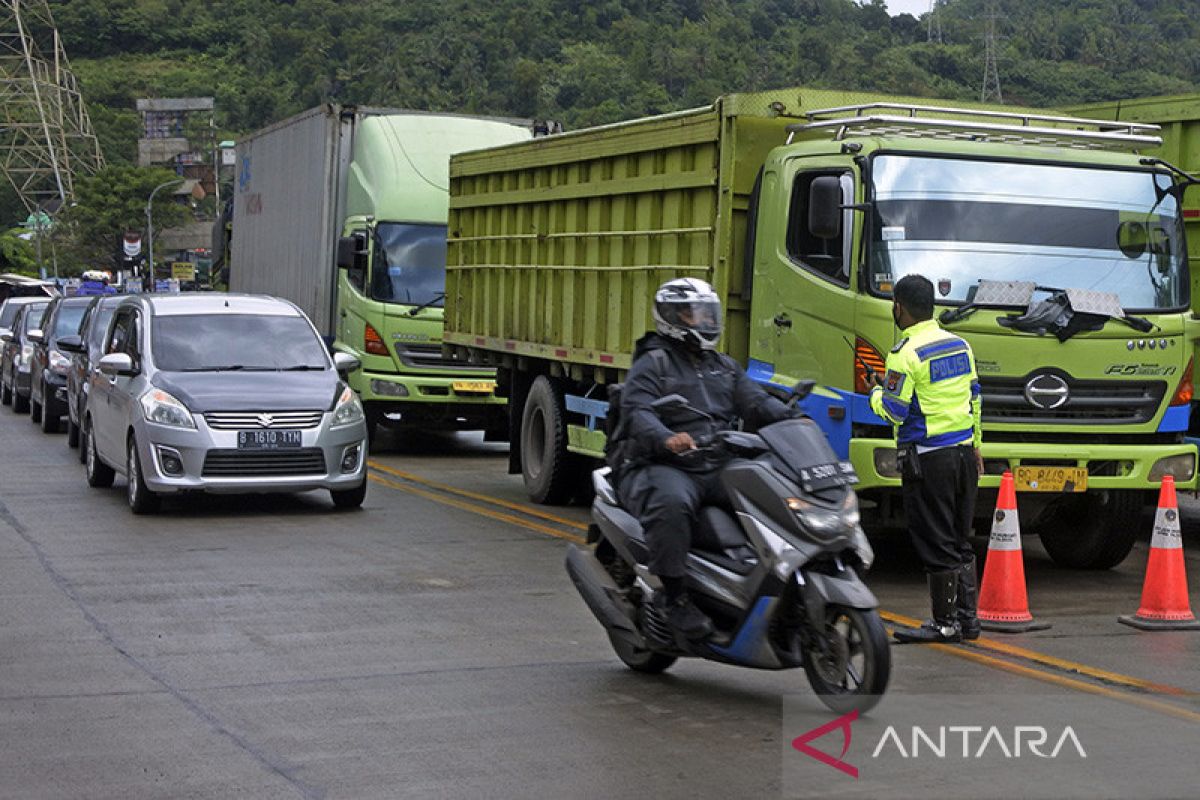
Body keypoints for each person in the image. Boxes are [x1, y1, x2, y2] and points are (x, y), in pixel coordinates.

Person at [616, 278, 801, 641]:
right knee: (671, 504)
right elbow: (637, 412)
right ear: (671, 316)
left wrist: (792, 417)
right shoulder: (654, 363)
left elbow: (756, 401)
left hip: (715, 460)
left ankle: (767, 585)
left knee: (771, 491)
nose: (702, 320)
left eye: (706, 313)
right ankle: (674, 597)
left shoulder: (723, 365)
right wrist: (667, 438)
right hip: (666, 464)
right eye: (693, 313)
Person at [868, 274, 984, 644]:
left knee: (934, 539)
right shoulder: (960, 345)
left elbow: (894, 411)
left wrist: (875, 391)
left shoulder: (905, 353)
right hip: (965, 453)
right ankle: (968, 620)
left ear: (898, 306)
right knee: (959, 538)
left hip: (929, 459)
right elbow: (975, 399)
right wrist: (977, 445)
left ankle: (945, 623)